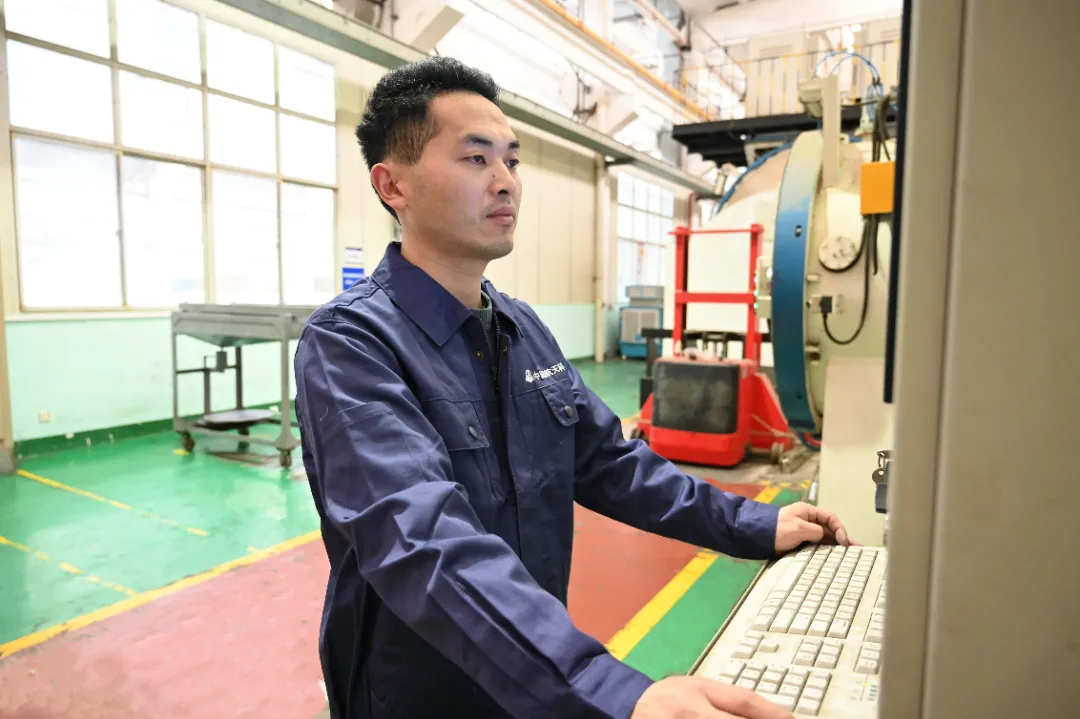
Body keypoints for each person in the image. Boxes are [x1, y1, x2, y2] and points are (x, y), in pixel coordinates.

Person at [293, 56, 853, 719]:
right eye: (475, 159)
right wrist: (613, 691)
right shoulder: (351, 345)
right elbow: (422, 541)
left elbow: (611, 463)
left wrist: (756, 523)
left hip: (535, 680)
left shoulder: (521, 329)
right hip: (423, 696)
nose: (506, 182)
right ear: (393, 185)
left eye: (512, 160)